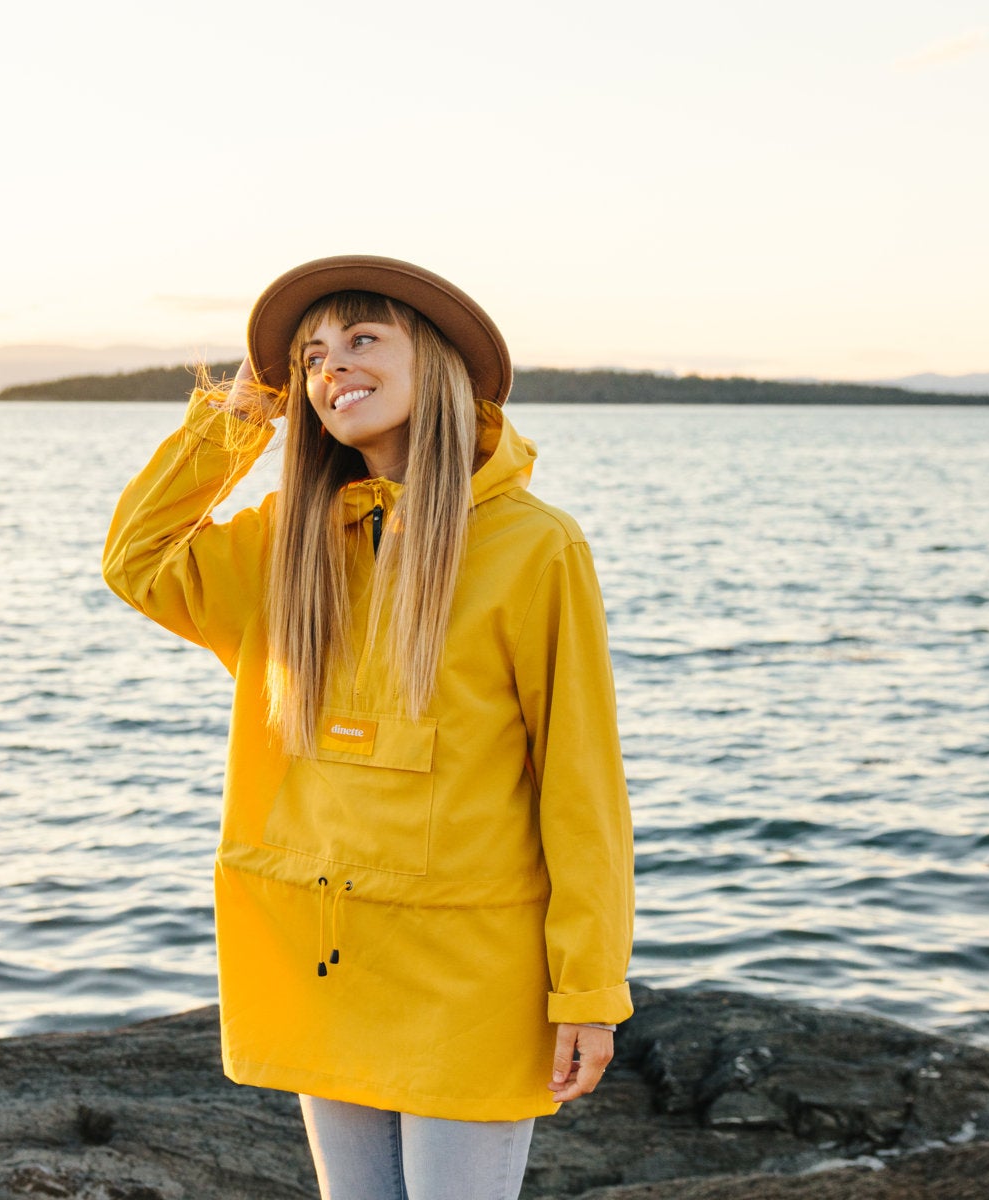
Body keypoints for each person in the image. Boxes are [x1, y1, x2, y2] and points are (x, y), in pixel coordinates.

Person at [102, 255, 634, 1199]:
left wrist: (587, 992)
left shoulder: (532, 547)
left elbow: (579, 790)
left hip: (469, 975)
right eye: (309, 359)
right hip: (323, 958)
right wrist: (235, 420)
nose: (329, 369)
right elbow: (136, 560)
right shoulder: (286, 544)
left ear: (432, 362)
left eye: (360, 340)